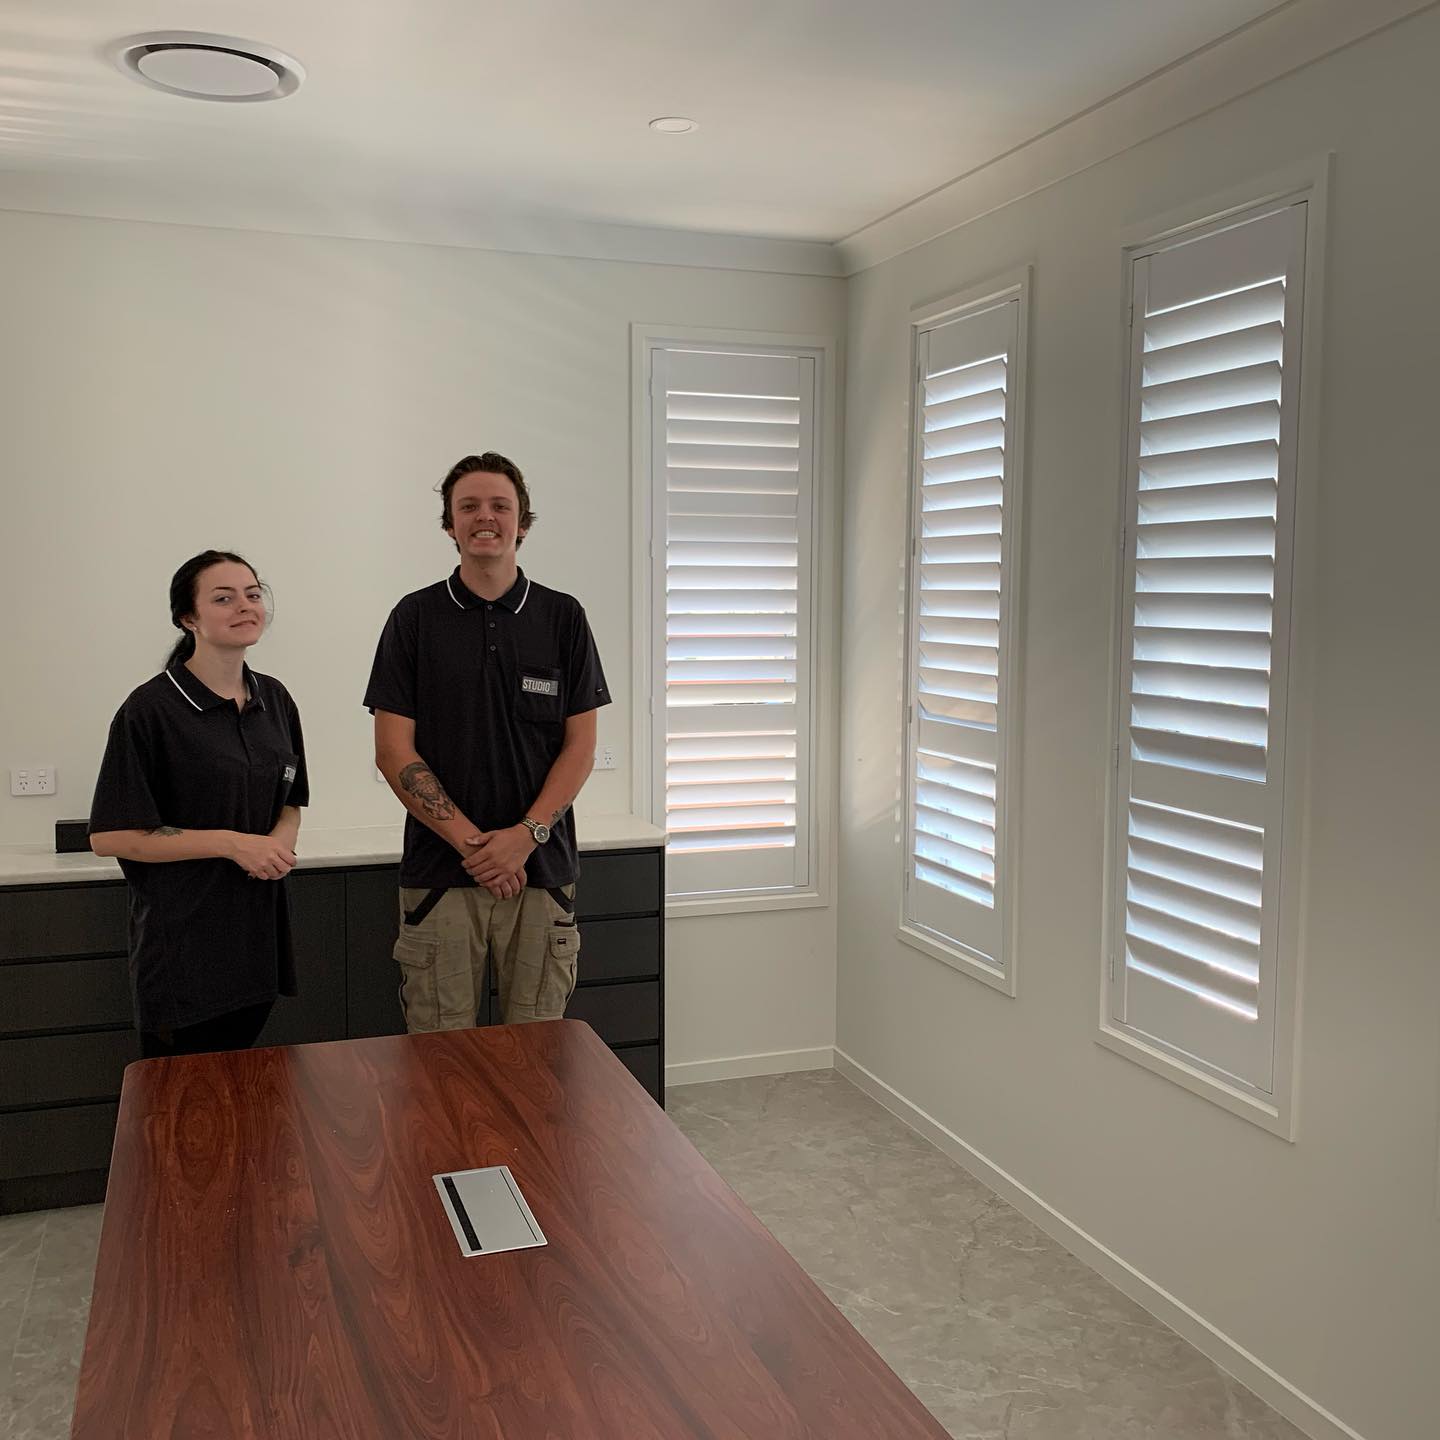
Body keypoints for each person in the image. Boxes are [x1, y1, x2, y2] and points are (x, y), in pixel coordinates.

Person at [365, 451, 609, 1032]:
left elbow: (579, 748)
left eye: (501, 505)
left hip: (542, 870)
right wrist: (478, 848)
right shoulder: (414, 618)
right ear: (449, 524)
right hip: (442, 872)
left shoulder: (563, 617)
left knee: (537, 1056)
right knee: (440, 1059)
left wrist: (524, 839)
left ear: (522, 521)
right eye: (468, 506)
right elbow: (393, 750)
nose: (485, 516)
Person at [89, 550, 308, 1058]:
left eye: (253, 595)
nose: (245, 606)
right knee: (184, 1117)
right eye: (223, 597)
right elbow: (111, 837)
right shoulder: (151, 710)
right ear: (188, 618)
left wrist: (278, 841)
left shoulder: (274, 699)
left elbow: (292, 798)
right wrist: (233, 844)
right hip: (183, 953)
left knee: (248, 1110)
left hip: (256, 945)